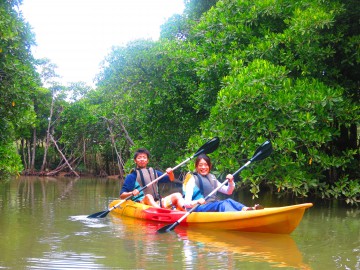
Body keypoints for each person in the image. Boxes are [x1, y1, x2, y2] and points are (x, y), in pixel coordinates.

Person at [183, 154, 264, 212]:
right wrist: (197, 201)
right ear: (196, 167)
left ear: (209, 166)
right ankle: (235, 215)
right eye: (200, 165)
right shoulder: (192, 180)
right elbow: (186, 203)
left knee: (228, 200)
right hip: (197, 208)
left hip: (211, 206)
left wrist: (231, 182)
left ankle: (246, 209)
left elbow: (228, 191)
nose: (203, 167)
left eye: (206, 165)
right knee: (222, 204)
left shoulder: (212, 178)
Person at [120, 148, 185, 211]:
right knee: (148, 196)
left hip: (156, 202)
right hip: (141, 204)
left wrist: (170, 173)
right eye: (139, 158)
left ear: (147, 160)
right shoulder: (131, 176)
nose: (142, 159)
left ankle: (185, 211)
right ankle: (161, 212)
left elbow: (171, 179)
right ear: (135, 160)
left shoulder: (154, 172)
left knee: (177, 195)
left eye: (144, 157)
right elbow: (122, 195)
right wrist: (132, 193)